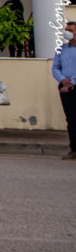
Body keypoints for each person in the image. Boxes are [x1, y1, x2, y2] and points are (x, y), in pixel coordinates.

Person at [52, 20, 76, 160]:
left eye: (71, 30)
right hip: (65, 87)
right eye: (67, 29)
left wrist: (72, 82)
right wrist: (63, 80)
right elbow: (55, 67)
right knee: (71, 119)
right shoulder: (61, 48)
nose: (67, 32)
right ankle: (73, 149)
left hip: (73, 85)